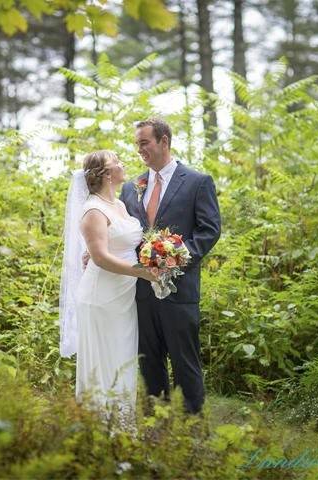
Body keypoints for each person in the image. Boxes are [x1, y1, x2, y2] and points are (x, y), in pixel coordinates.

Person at [120, 118, 221, 414]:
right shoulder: (131, 187)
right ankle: (157, 419)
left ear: (164, 141)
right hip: (140, 289)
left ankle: (192, 425)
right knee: (148, 358)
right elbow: (122, 230)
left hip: (180, 289)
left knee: (184, 359)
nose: (139, 149)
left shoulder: (197, 182)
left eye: (144, 142)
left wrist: (174, 258)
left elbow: (209, 230)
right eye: (137, 143)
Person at [59, 150, 158, 424]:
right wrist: (143, 273)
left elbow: (121, 244)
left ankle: (122, 426)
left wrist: (157, 255)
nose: (123, 165)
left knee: (122, 359)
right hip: (101, 296)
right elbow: (101, 257)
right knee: (103, 362)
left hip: (123, 297)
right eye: (117, 163)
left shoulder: (119, 205)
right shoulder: (93, 210)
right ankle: (98, 428)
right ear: (105, 174)